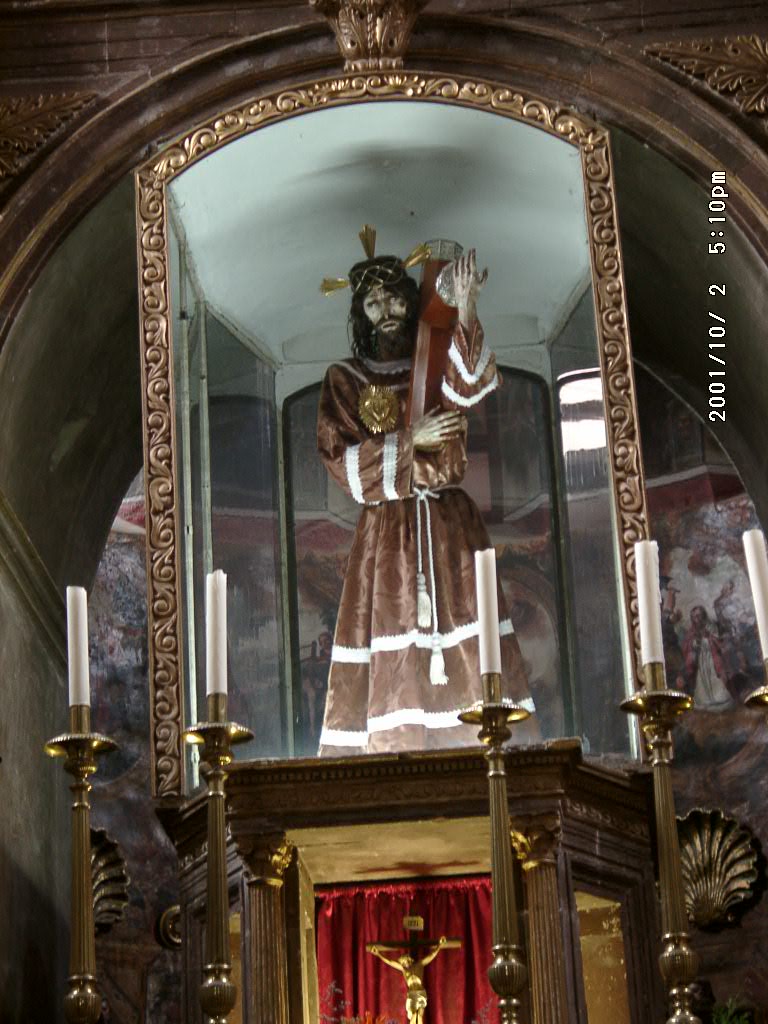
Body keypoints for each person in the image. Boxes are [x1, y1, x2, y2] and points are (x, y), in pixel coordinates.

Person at [316, 228, 535, 754]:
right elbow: (344, 466)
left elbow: (467, 390)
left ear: (412, 297)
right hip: (386, 537)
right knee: (390, 653)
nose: (385, 309)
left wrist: (464, 310)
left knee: (470, 647)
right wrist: (410, 439)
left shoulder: (431, 362)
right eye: (372, 301)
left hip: (449, 529)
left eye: (394, 295)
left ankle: (489, 761)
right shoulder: (346, 378)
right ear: (359, 314)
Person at [367, 939, 448, 1024]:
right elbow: (390, 962)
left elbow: (431, 955)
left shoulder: (419, 965)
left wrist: (439, 945)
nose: (403, 964)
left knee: (419, 1015)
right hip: (412, 995)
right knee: (414, 1015)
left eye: (404, 962)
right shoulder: (404, 970)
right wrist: (378, 954)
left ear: (409, 960)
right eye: (402, 963)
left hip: (420, 994)